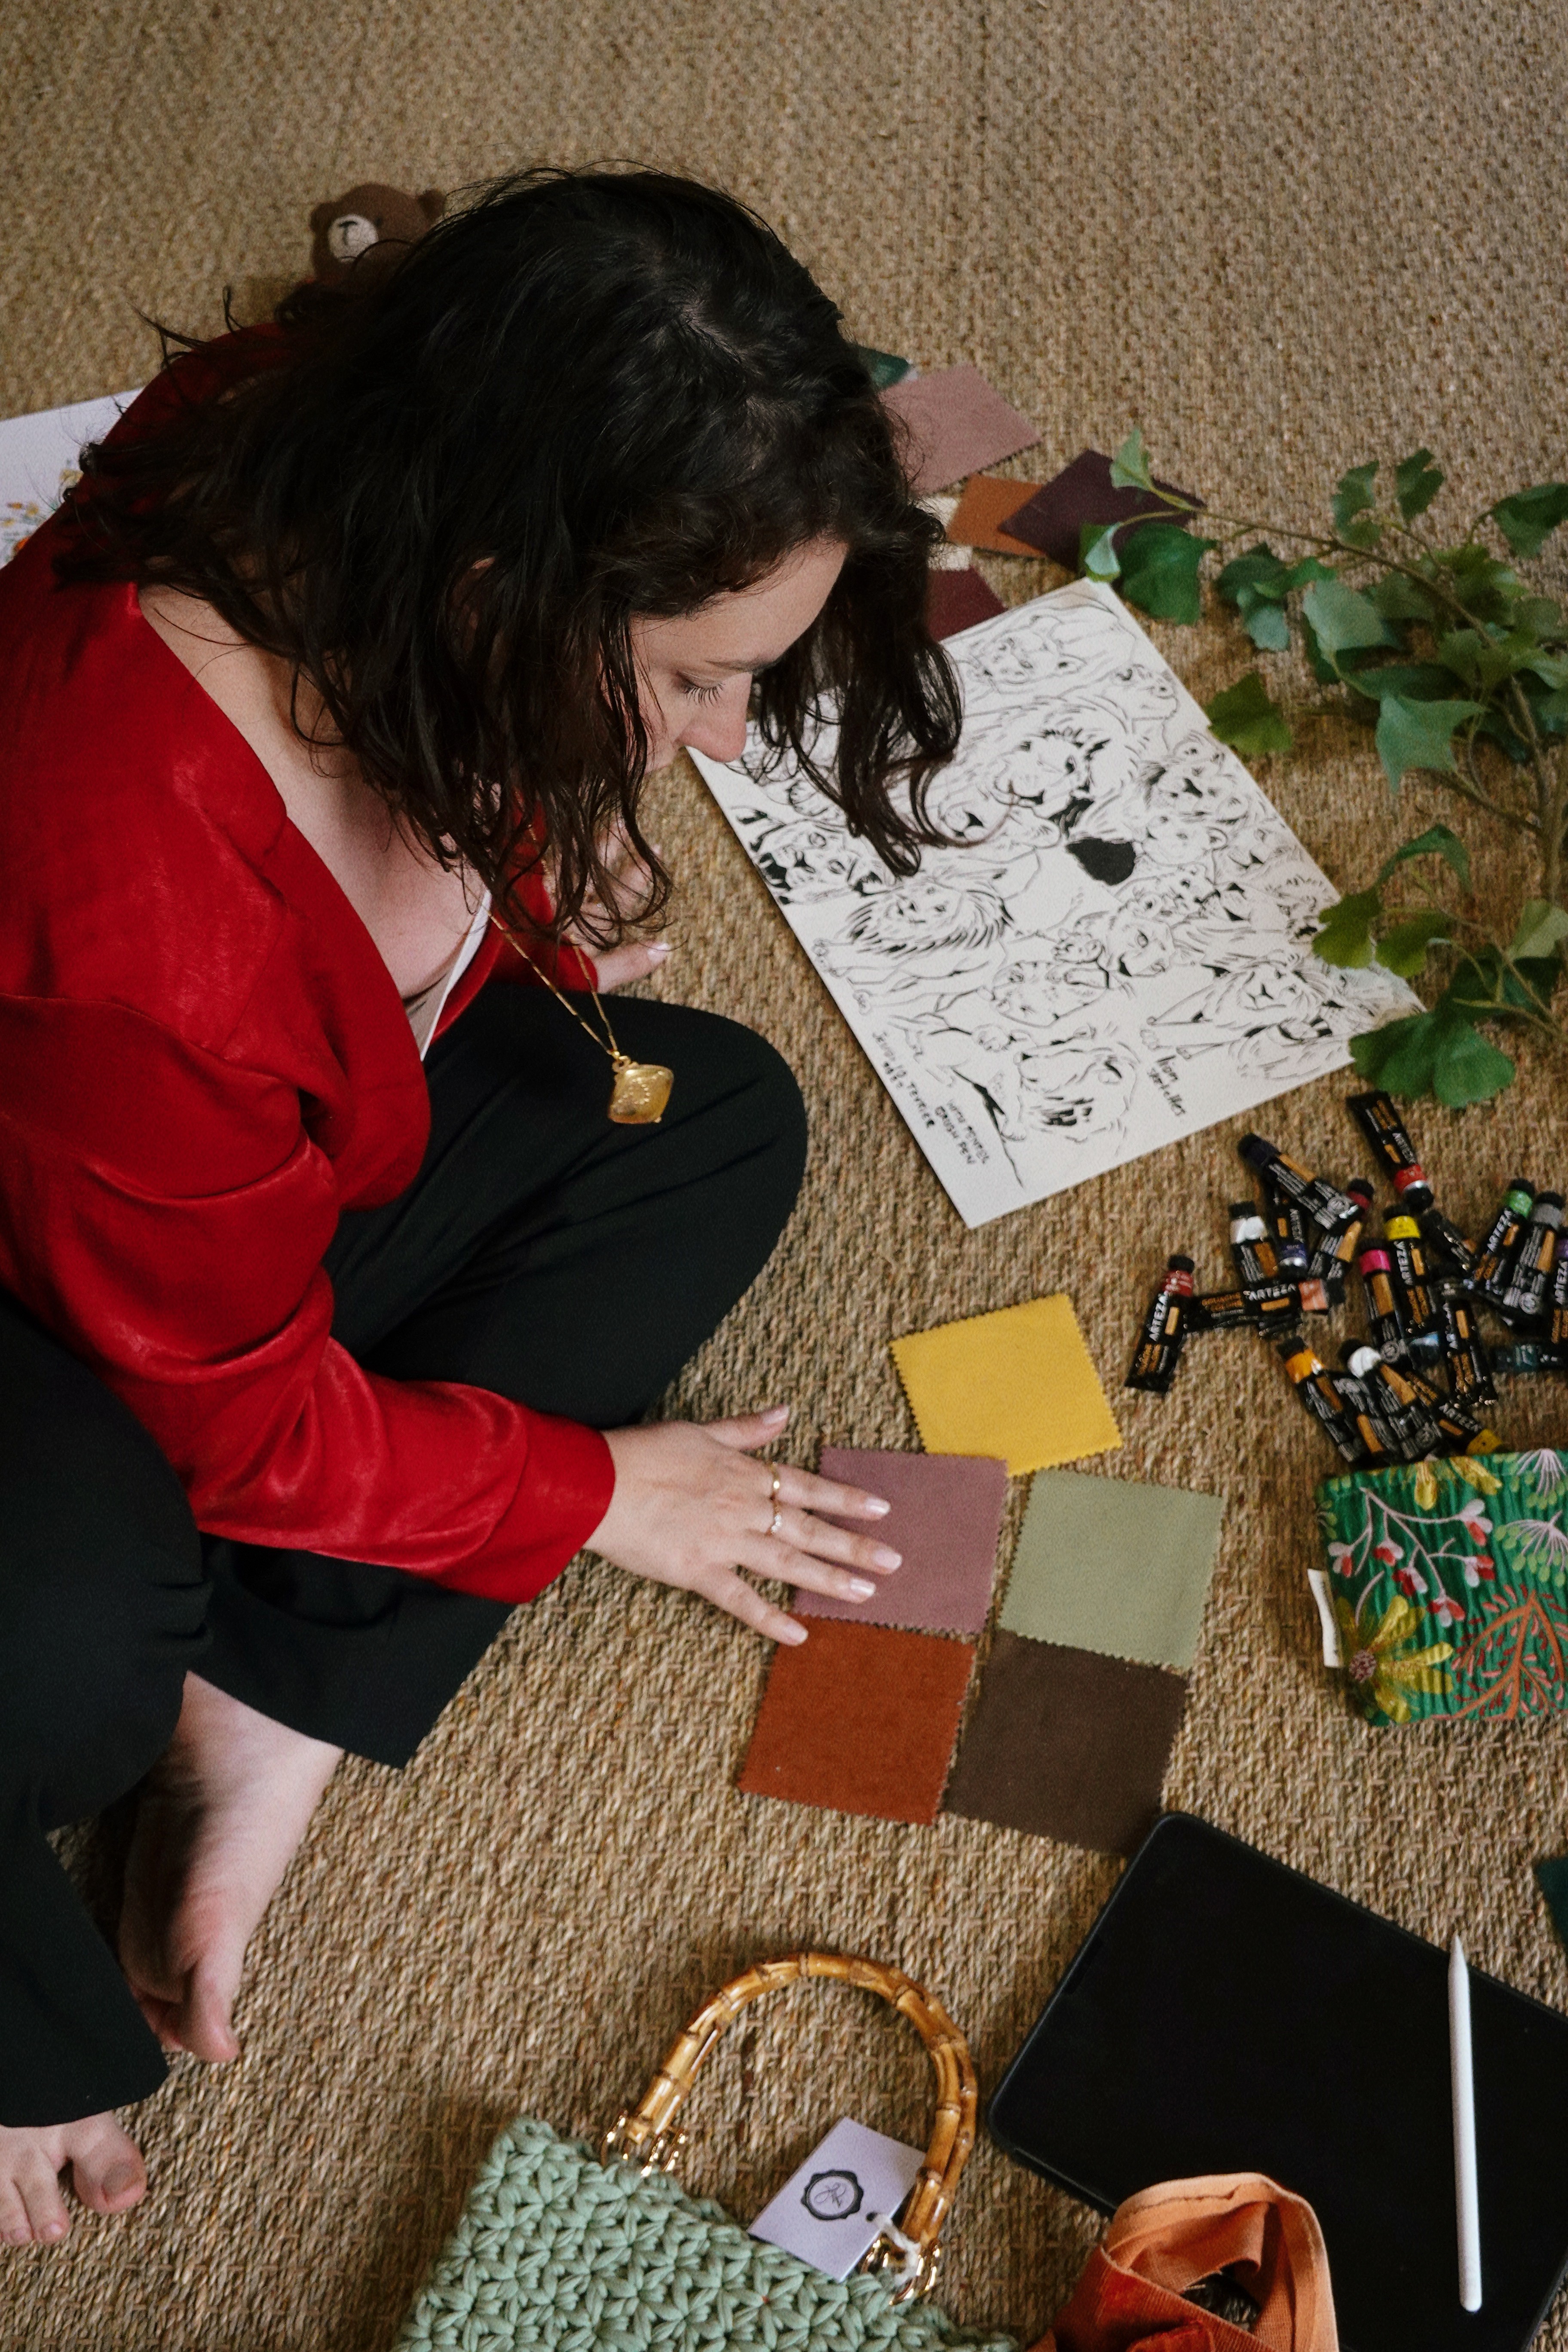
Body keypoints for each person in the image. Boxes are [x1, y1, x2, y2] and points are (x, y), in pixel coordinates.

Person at [0, 167, 963, 2245]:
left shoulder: (358, 443)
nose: (719, 747)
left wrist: (507, 886)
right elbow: (230, 1423)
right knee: (69, 1664)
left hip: (215, 1192)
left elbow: (423, 843)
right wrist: (597, 1495)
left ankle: (266, 1707)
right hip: (60, 1303)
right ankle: (182, 1701)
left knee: (713, 1121)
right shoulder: (137, 913)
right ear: (498, 590)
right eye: (697, 680)